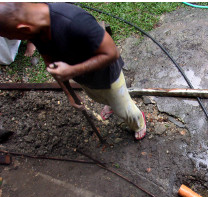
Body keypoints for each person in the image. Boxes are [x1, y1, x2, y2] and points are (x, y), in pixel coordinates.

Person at [0, 2, 147, 140]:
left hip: (108, 76)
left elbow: (112, 53)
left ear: (23, 28)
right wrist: (69, 93)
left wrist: (71, 70)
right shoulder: (36, 28)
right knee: (100, 97)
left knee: (125, 109)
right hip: (84, 77)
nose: (12, 39)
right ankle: (111, 103)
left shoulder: (75, 22)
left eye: (10, 36)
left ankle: (139, 123)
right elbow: (50, 63)